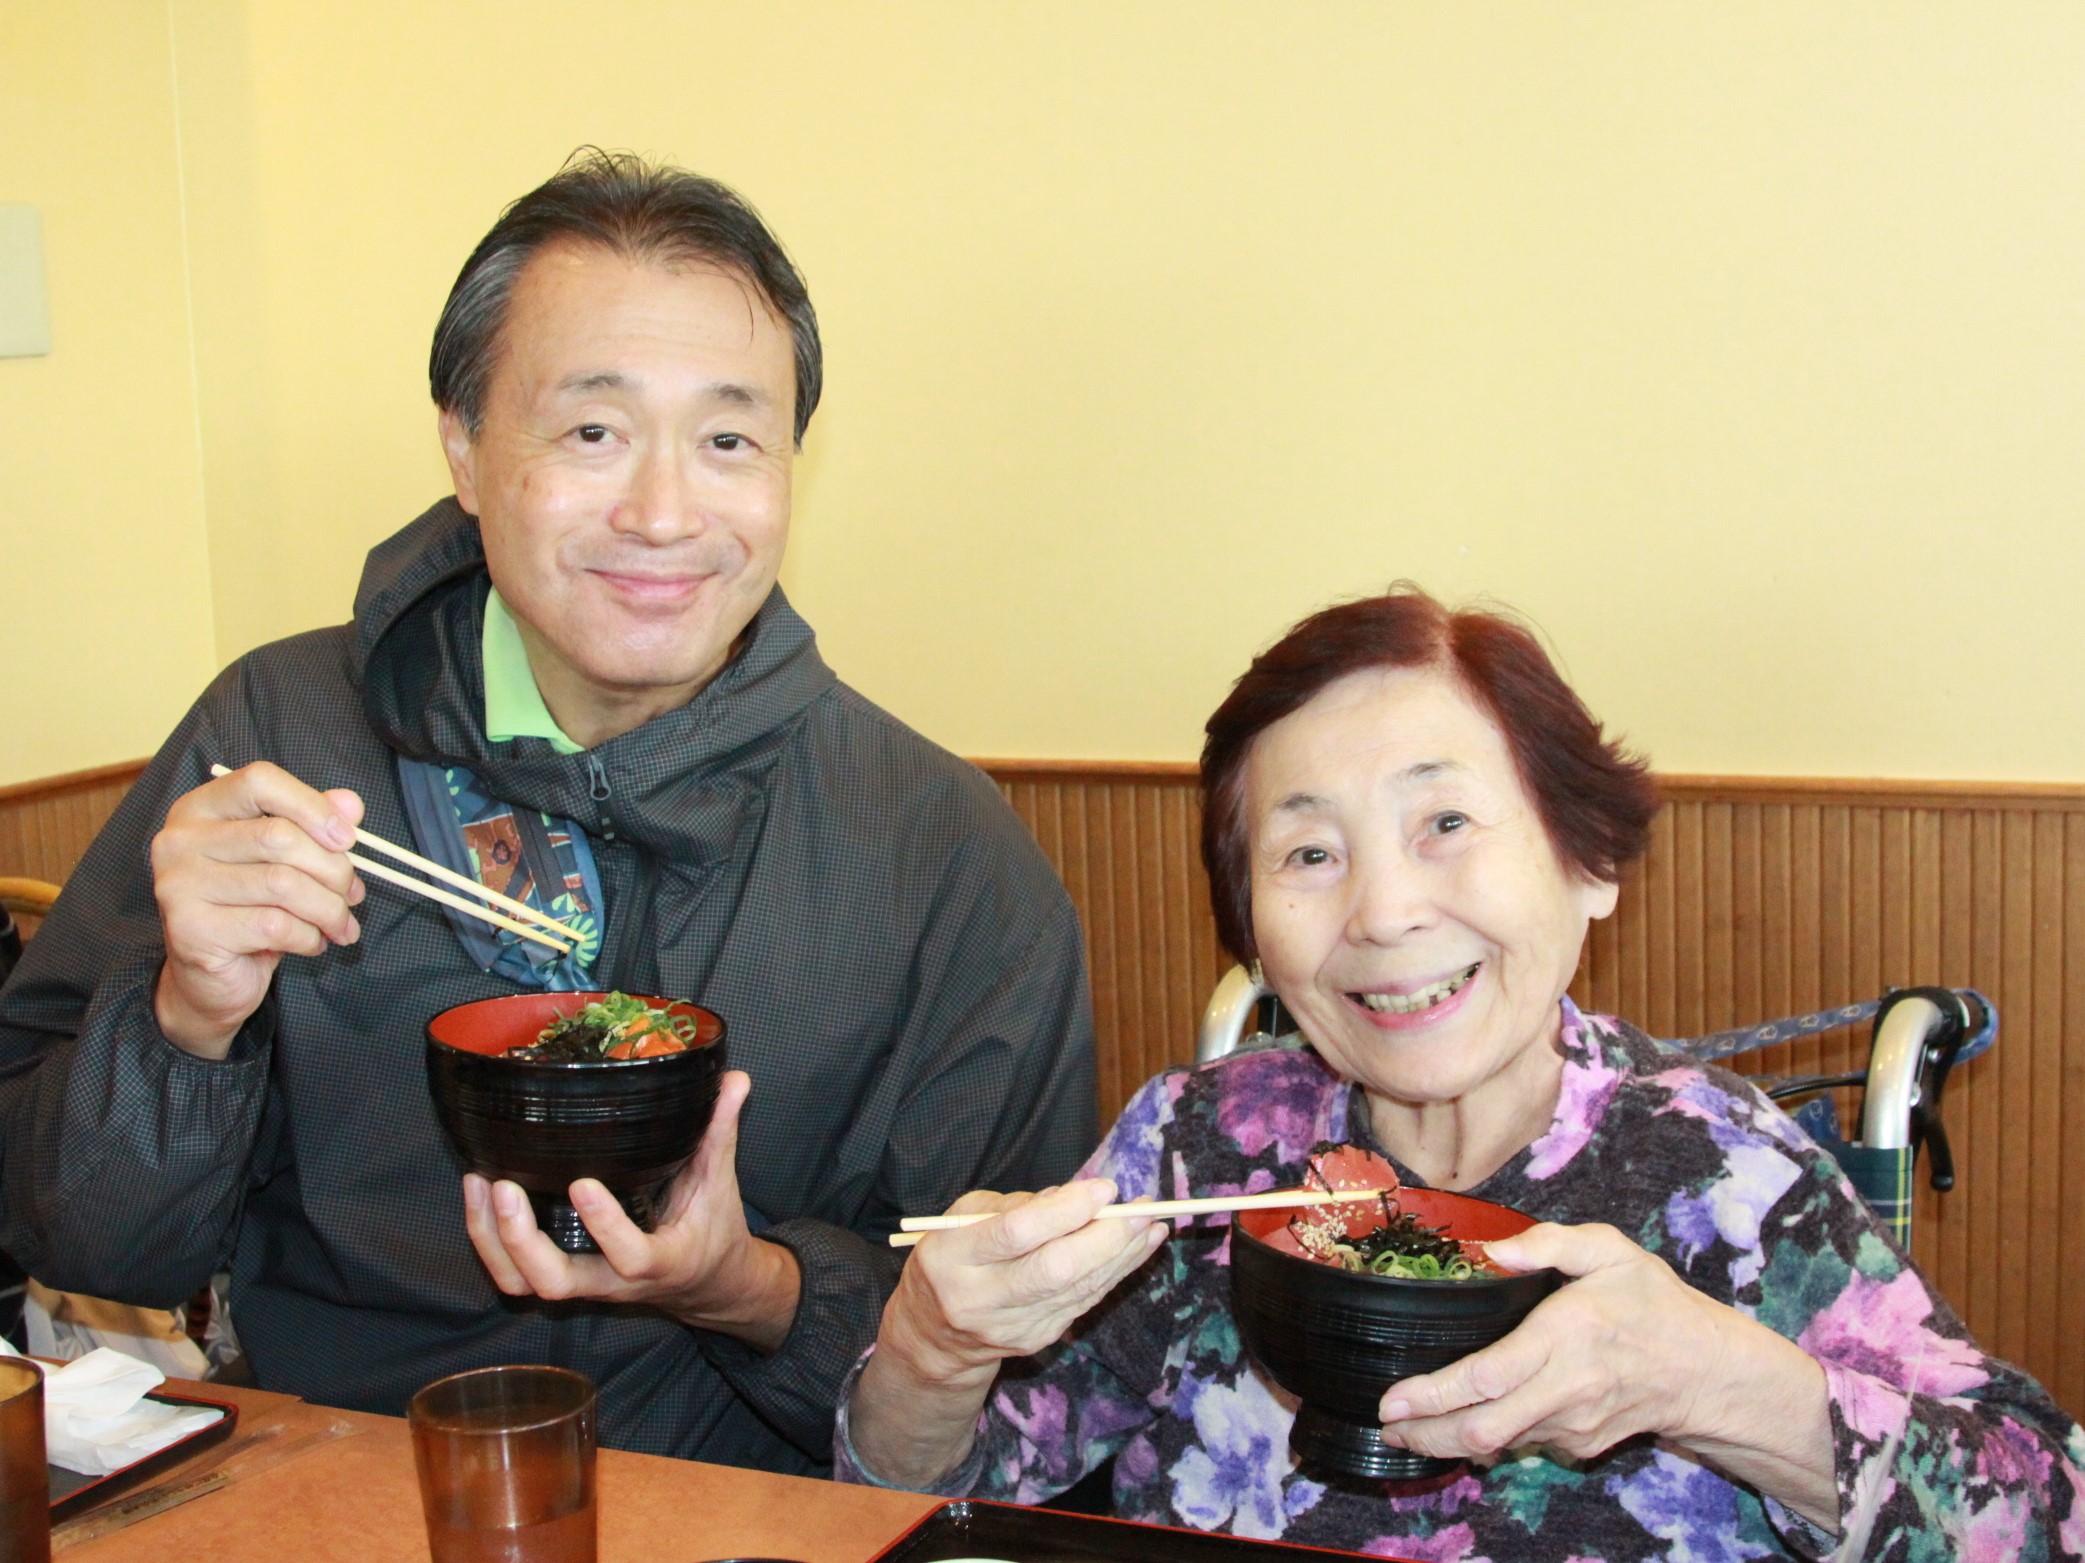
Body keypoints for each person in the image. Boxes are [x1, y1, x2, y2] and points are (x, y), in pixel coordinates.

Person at [0, 151, 1097, 1472]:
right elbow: (82, 1239)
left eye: (729, 438)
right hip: (341, 1492)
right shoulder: (279, 740)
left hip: (750, 1518)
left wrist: (739, 1281)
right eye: (592, 430)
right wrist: (186, 1014)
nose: (662, 510)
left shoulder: (943, 854)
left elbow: (1024, 1376)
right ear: (464, 448)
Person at [837, 586, 2085, 1557]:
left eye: (1444, 824)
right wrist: (934, 1348)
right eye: (1309, 852)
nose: (1383, 912)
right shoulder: (1200, 1150)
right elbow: (914, 1503)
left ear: (1588, 861)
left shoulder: (1725, 1171)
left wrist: (1717, 1382)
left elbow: (2048, 1516)